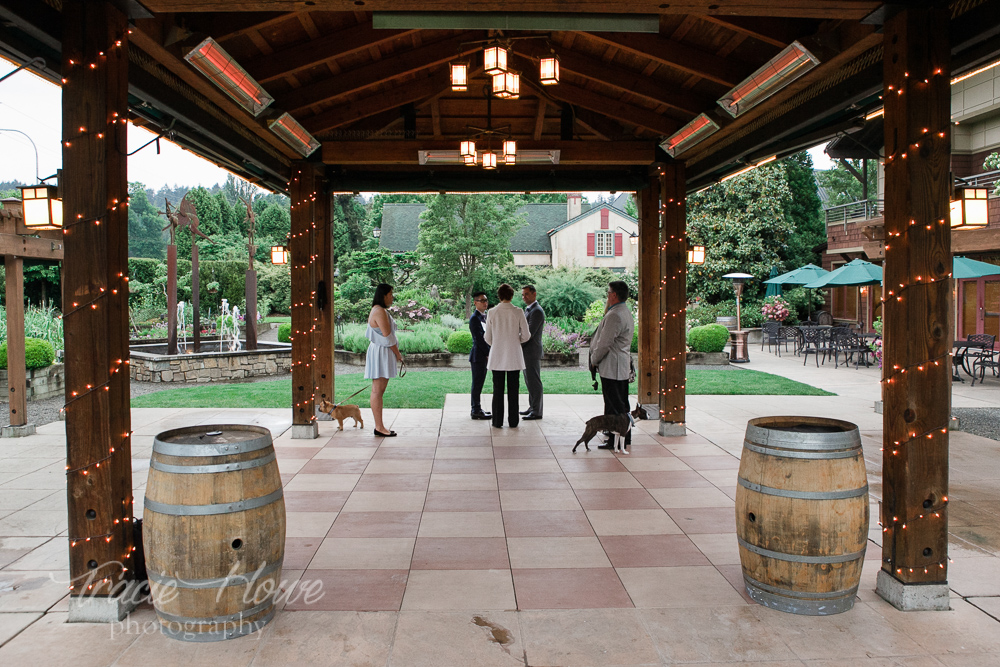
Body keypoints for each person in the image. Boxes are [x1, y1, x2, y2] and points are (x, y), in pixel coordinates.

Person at [589, 280, 636, 449]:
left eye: (608, 292)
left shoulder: (615, 315)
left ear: (614, 295)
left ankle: (617, 438)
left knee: (615, 405)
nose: (607, 295)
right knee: (620, 403)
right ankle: (620, 435)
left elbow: (604, 343)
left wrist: (594, 360)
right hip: (618, 366)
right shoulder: (623, 312)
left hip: (612, 367)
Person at [484, 283, 531, 428]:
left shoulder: (492, 312)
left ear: (499, 296)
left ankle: (497, 421)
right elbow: (526, 335)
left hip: (497, 355)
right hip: (513, 355)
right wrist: (515, 341)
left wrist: (497, 344)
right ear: (511, 296)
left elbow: (487, 337)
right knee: (513, 389)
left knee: (497, 389)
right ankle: (513, 421)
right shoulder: (518, 312)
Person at [365, 283, 403, 437]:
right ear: (383, 295)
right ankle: (379, 427)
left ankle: (379, 426)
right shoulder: (379, 311)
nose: (392, 297)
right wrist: (398, 354)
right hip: (381, 352)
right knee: (377, 390)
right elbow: (388, 337)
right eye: (390, 294)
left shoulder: (379, 310)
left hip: (381, 351)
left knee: (378, 390)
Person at [520, 284, 545, 420]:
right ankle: (532, 407)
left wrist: (516, 343)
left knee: (534, 382)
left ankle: (537, 411)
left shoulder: (537, 311)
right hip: (527, 352)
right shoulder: (530, 309)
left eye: (527, 294)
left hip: (531, 352)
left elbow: (528, 334)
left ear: (534, 294)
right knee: (529, 381)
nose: (524, 297)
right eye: (523, 295)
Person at [469, 291, 491, 420]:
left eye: (486, 300)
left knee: (480, 382)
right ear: (475, 302)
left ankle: (477, 408)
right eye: (482, 301)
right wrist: (488, 353)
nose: (485, 303)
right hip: (478, 356)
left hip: (483, 355)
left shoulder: (485, 316)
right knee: (477, 383)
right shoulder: (474, 318)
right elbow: (479, 339)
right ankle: (475, 409)